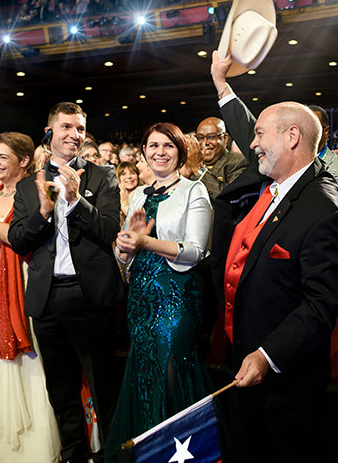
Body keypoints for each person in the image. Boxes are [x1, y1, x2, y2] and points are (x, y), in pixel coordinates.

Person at [210, 51, 338, 462]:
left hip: (285, 378)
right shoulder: (272, 185)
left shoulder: (323, 210)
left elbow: (320, 306)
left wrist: (267, 355)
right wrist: (221, 84)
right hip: (245, 360)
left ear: (292, 137)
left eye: (259, 134)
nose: (252, 144)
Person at [8, 102, 124, 463]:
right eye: (67, 127)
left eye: (80, 128)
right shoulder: (28, 186)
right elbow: (18, 240)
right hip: (47, 299)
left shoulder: (103, 176)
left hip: (91, 297)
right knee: (61, 390)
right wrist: (43, 213)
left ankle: (112, 456)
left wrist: (75, 202)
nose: (75, 135)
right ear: (50, 132)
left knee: (104, 387)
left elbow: (109, 230)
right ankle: (73, 454)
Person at [105, 123, 213, 461]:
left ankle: (180, 451)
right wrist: (126, 247)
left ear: (180, 151)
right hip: (141, 297)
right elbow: (125, 255)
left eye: (168, 145)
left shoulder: (194, 190)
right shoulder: (139, 194)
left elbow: (195, 251)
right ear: (144, 152)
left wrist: (145, 240)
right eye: (153, 146)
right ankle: (149, 452)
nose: (160, 152)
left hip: (176, 296)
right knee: (145, 372)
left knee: (171, 370)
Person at [0, 132, 61, 462]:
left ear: (23, 160)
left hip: (23, 285)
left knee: (31, 361)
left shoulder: (34, 192)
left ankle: (33, 446)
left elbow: (22, 237)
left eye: (3, 157)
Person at [182, 116, 247, 204]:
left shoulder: (238, 162)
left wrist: (198, 169)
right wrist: (183, 176)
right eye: (200, 138)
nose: (205, 142)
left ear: (225, 138)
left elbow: (229, 199)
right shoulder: (190, 163)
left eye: (211, 137)